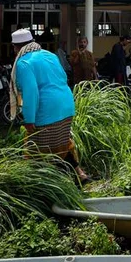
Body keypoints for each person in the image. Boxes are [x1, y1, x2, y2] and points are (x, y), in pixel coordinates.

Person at [9, 29, 90, 183]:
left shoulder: (23, 63)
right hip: (66, 105)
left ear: (16, 47)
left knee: (36, 149)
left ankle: (42, 185)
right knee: (62, 142)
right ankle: (79, 174)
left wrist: (29, 119)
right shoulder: (50, 55)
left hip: (46, 112)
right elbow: (63, 77)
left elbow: (31, 93)